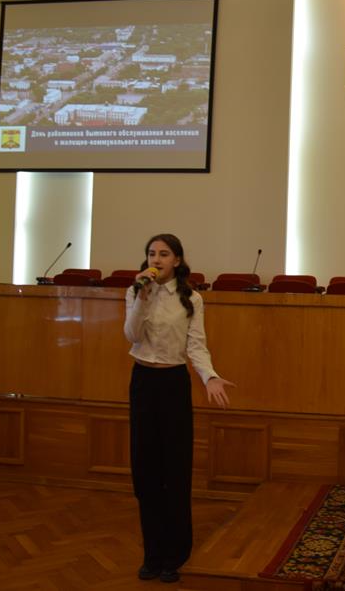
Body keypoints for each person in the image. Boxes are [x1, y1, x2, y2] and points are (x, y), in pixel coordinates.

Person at [123, 233, 235, 584]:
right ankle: (152, 554)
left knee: (174, 469)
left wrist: (209, 377)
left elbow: (196, 346)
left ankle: (175, 554)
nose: (156, 259)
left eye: (163, 254)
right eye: (151, 254)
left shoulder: (192, 298)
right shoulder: (135, 291)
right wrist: (141, 298)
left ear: (177, 260)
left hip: (173, 384)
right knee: (146, 470)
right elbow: (131, 336)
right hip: (143, 382)